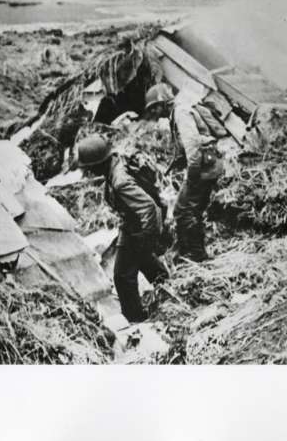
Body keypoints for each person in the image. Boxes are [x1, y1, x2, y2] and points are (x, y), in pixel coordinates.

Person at [76, 134, 168, 323]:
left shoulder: (120, 181)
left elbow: (149, 208)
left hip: (139, 227)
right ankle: (169, 289)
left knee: (123, 276)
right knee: (144, 263)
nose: (89, 172)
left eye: (90, 167)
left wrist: (148, 239)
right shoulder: (116, 164)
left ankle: (136, 319)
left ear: (98, 164)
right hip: (132, 224)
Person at [144, 83, 224, 262]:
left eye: (155, 107)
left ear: (163, 102)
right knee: (192, 210)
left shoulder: (181, 113)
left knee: (182, 209)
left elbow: (193, 147)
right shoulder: (177, 113)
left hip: (204, 168)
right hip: (207, 165)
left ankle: (195, 254)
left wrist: (192, 177)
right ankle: (193, 251)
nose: (154, 112)